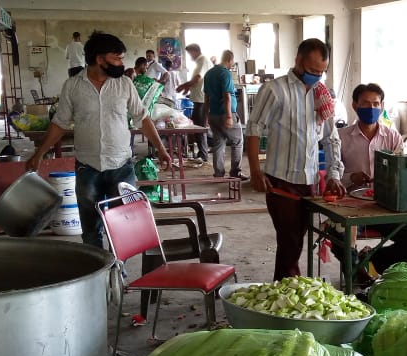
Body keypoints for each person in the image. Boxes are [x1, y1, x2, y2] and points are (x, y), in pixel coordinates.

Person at [26, 32, 170, 254]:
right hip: (87, 167)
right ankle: (98, 274)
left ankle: (118, 271)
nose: (121, 63)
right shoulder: (72, 86)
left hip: (121, 165)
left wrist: (161, 149)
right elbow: (60, 123)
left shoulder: (124, 84)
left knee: (122, 225)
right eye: (117, 58)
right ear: (100, 59)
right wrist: (39, 154)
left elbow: (142, 118)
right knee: (91, 227)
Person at [245, 38, 345, 281]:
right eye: (312, 71)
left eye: (322, 72)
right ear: (298, 61)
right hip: (281, 181)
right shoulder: (275, 90)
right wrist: (256, 172)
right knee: (289, 240)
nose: (316, 76)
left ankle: (290, 286)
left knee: (299, 238)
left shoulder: (322, 96)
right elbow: (254, 128)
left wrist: (333, 174)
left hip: (310, 182)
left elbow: (331, 138)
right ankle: (287, 288)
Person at [335, 83, 407, 277]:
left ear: (382, 106)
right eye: (366, 103)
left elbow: (403, 173)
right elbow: (331, 176)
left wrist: (391, 180)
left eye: (376, 104)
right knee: (340, 239)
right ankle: (356, 278)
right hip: (350, 206)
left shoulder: (392, 137)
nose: (371, 108)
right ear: (354, 105)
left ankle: (370, 260)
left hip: (384, 206)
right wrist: (351, 177)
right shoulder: (341, 138)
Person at [204, 50, 246, 179]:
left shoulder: (209, 73)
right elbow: (227, 96)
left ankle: (219, 173)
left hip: (213, 114)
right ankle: (235, 172)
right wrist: (229, 116)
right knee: (237, 141)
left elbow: (206, 97)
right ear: (230, 60)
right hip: (225, 114)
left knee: (218, 143)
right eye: (232, 62)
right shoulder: (225, 73)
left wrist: (206, 115)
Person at [176, 43, 212, 161]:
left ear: (195, 51)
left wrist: (183, 85)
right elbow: (197, 81)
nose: (190, 56)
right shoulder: (200, 62)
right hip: (198, 99)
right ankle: (202, 153)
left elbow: (197, 78)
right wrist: (188, 88)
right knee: (197, 127)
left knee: (199, 128)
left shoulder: (202, 60)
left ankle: (203, 154)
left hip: (201, 100)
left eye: (190, 53)